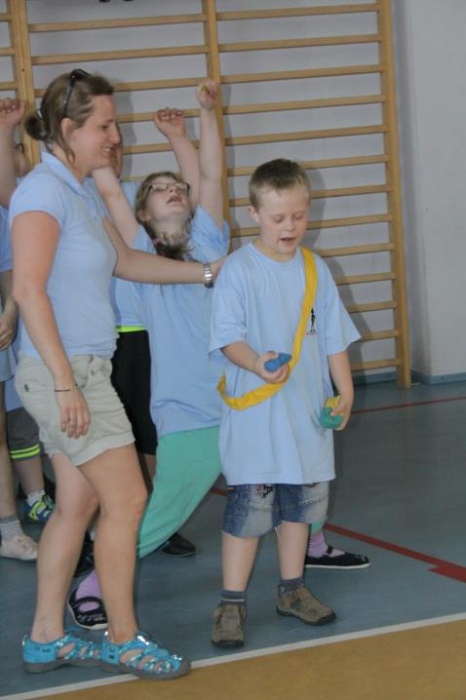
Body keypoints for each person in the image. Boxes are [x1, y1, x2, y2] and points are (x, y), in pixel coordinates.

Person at [9, 69, 220, 679]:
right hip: (66, 372)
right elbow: (28, 289)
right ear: (68, 129)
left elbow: (127, 261)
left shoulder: (76, 191)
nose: (115, 136)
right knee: (127, 499)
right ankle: (125, 638)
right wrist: (65, 383)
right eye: (104, 126)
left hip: (80, 369)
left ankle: (45, 638)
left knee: (76, 505)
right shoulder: (42, 193)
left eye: (115, 125)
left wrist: (208, 273)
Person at [68, 79, 228, 630]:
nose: (172, 189)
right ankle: (95, 581)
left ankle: (311, 546)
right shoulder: (141, 254)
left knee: (292, 475)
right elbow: (112, 193)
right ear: (142, 213)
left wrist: (202, 118)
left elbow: (210, 177)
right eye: (158, 188)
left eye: (175, 185)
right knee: (164, 511)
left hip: (245, 394)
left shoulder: (210, 241)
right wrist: (101, 148)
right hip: (190, 407)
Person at [208, 157, 361, 648]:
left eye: (298, 215)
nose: (289, 226)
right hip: (256, 417)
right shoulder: (238, 270)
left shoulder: (317, 269)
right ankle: (231, 602)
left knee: (301, 506)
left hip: (306, 417)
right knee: (250, 511)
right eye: (278, 218)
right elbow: (227, 337)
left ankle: (292, 590)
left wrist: (345, 390)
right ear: (254, 214)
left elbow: (333, 337)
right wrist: (255, 363)